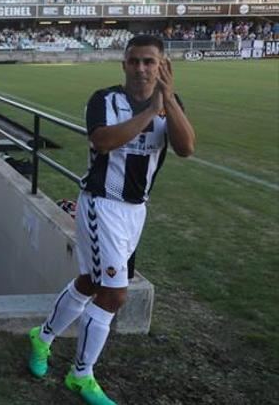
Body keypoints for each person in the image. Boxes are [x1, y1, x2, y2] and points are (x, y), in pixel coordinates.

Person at [27, 35, 195, 405]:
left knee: (89, 282)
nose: (141, 68)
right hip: (102, 204)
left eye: (149, 62)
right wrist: (152, 110)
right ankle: (81, 374)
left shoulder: (172, 103)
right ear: (123, 64)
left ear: (163, 66)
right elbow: (103, 141)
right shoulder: (104, 99)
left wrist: (168, 101)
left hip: (135, 210)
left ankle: (41, 337)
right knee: (115, 293)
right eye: (134, 61)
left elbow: (186, 148)